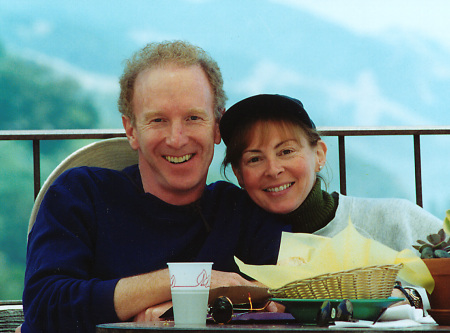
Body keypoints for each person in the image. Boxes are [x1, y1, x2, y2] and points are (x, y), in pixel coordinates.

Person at [20, 42, 282, 333]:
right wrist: (194, 282)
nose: (176, 138)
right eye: (158, 120)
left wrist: (174, 311)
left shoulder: (240, 211)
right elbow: (43, 307)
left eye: (193, 118)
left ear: (217, 126)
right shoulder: (80, 194)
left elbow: (292, 293)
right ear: (131, 130)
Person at [220, 94, 443, 253]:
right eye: (255, 159)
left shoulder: (396, 220)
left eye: (286, 151)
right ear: (239, 174)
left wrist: (410, 297)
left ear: (319, 155)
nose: (273, 169)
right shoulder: (234, 245)